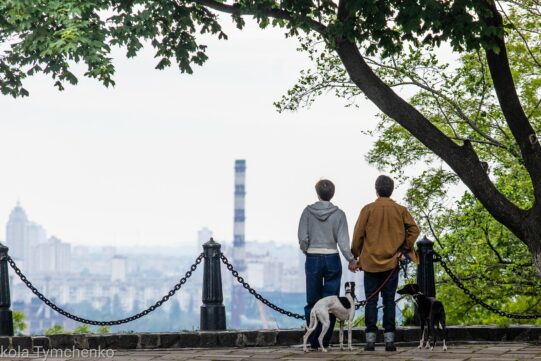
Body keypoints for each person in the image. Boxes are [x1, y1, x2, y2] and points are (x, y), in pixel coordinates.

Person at [351, 175, 420, 352]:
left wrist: (356, 256)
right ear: (392, 190)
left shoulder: (367, 209)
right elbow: (414, 229)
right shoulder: (400, 210)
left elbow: (358, 235)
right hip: (392, 263)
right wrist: (403, 249)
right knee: (389, 301)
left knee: (371, 301)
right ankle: (390, 341)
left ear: (376, 189)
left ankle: (370, 341)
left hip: (370, 264)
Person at [298, 179, 357, 350]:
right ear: (333, 193)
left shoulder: (307, 212)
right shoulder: (339, 214)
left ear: (317, 193)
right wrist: (352, 260)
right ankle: (325, 340)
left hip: (313, 257)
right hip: (332, 257)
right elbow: (344, 243)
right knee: (331, 303)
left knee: (312, 301)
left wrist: (307, 250)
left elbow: (302, 238)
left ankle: (313, 342)